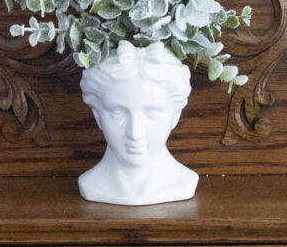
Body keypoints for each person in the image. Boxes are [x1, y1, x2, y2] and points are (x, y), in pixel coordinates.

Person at [79, 41, 198, 205]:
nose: (135, 133)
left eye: (152, 112)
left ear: (175, 115)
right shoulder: (91, 184)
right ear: (97, 115)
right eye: (118, 111)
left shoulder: (184, 182)